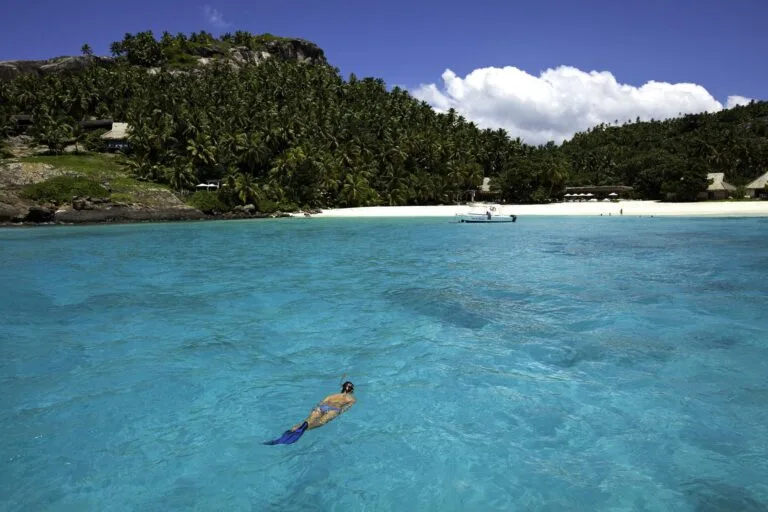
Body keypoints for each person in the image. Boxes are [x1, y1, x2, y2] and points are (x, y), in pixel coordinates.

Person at [264, 381, 356, 445]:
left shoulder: (331, 396)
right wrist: (338, 412)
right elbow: (345, 409)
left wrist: (314, 410)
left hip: (322, 407)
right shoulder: (351, 398)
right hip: (334, 409)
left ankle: (294, 429)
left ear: (342, 388)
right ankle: (304, 428)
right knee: (321, 422)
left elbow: (320, 404)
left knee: (308, 420)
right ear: (351, 390)